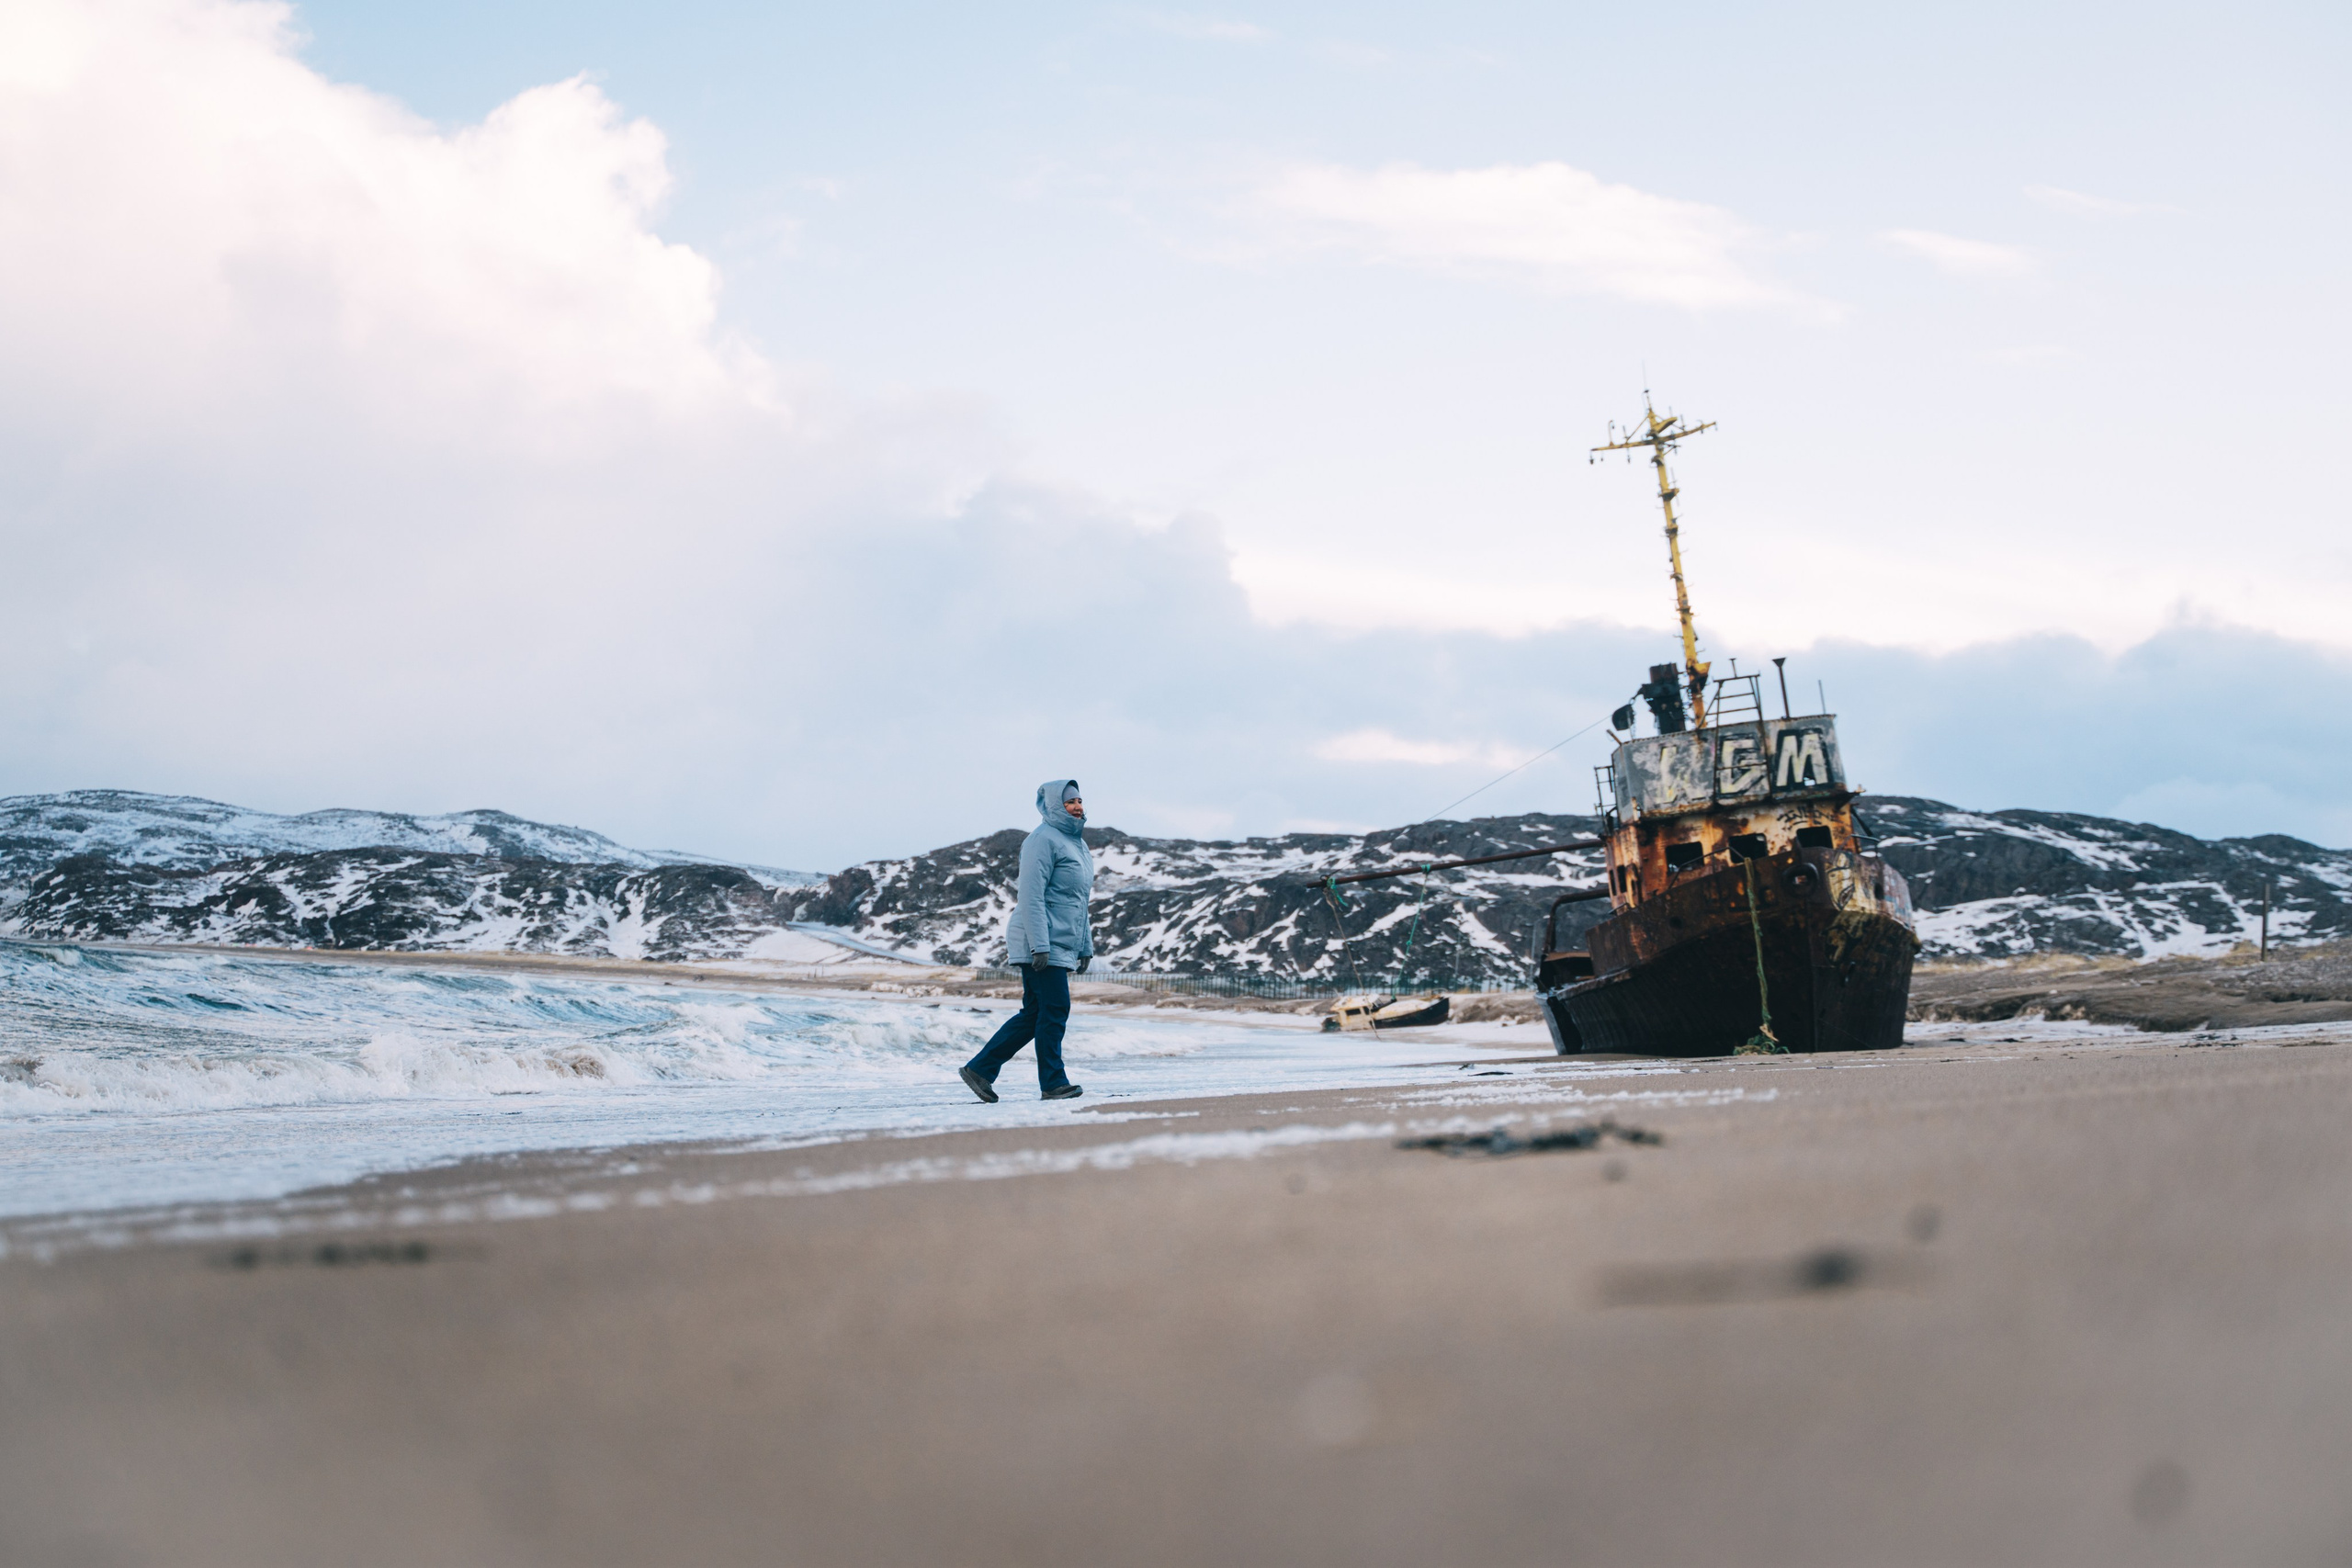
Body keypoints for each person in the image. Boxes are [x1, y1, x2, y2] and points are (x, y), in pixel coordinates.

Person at [960, 779, 1094, 1102]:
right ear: (1052, 805)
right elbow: (1031, 897)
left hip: (1060, 941)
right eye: (1068, 802)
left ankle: (980, 1069)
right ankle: (1053, 1082)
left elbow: (1078, 900)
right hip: (1039, 938)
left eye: (1079, 800)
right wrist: (1040, 945)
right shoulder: (1042, 840)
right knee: (1055, 1008)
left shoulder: (1078, 845)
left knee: (1035, 1013)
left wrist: (1085, 945)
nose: (1077, 806)